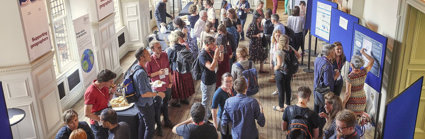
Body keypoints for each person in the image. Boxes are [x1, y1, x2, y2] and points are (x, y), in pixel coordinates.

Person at [132, 46, 166, 139]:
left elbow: (141, 86)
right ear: (142, 58)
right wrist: (158, 94)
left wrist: (150, 84)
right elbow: (144, 94)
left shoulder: (138, 67)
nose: (150, 55)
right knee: (150, 128)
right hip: (145, 104)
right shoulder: (141, 73)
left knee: (143, 124)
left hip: (141, 103)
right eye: (147, 54)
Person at [145, 40, 174, 136]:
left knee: (165, 104)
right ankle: (159, 127)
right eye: (158, 47)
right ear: (152, 49)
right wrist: (158, 73)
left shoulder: (165, 55)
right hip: (157, 88)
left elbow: (168, 69)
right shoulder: (149, 60)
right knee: (157, 109)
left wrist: (170, 81)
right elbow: (148, 76)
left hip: (167, 85)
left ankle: (167, 121)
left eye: (160, 46)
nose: (161, 48)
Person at [84, 69, 117, 139]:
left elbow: (107, 100)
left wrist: (112, 92)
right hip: (97, 123)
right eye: (110, 81)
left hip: (106, 118)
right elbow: (87, 113)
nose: (112, 83)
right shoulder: (91, 92)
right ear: (103, 82)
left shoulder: (105, 87)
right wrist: (102, 120)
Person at [166, 30, 195, 107]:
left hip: (176, 70)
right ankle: (184, 98)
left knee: (177, 86)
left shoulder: (170, 50)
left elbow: (168, 62)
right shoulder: (183, 47)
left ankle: (177, 101)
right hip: (185, 69)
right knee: (185, 84)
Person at [273, 35, 300, 112]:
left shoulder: (279, 52)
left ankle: (281, 107)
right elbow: (298, 55)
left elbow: (278, 65)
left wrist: (274, 69)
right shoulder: (290, 48)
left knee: (281, 90)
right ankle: (287, 104)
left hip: (280, 73)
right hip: (289, 72)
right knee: (288, 88)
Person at [343, 48, 374, 117]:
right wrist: (363, 52)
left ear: (351, 65)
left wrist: (343, 103)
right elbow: (372, 60)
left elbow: (348, 93)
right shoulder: (364, 72)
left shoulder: (349, 77)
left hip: (352, 102)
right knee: (358, 119)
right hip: (362, 100)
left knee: (350, 120)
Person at [199, 36, 224, 121]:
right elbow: (211, 67)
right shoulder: (202, 55)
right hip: (207, 81)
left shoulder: (211, 51)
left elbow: (221, 59)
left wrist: (221, 51)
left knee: (210, 99)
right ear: (206, 44)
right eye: (212, 44)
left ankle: (208, 114)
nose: (214, 45)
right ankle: (204, 121)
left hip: (212, 79)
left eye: (214, 43)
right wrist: (216, 55)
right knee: (205, 102)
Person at [314, 44, 338, 114]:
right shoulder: (328, 65)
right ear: (330, 52)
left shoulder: (318, 59)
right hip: (324, 92)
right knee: (322, 110)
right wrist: (336, 76)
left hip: (316, 87)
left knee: (316, 106)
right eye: (334, 51)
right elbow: (327, 82)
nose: (335, 53)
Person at [211, 73, 235, 139]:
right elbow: (213, 108)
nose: (229, 83)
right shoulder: (218, 93)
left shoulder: (233, 89)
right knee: (225, 136)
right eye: (226, 81)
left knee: (232, 135)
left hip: (232, 117)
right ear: (222, 81)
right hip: (223, 118)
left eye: (230, 81)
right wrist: (215, 123)